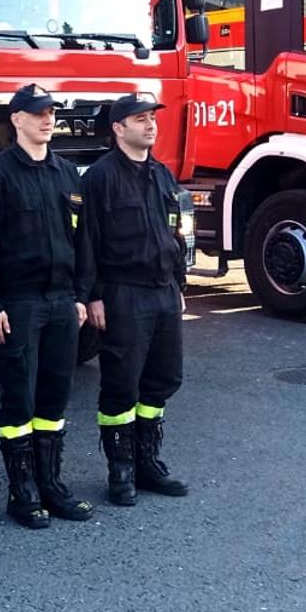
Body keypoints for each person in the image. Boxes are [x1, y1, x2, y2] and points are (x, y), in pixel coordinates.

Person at [0, 83, 95, 529]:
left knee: (55, 398)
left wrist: (81, 297)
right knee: (19, 400)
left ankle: (51, 486)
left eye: (51, 112)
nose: (48, 119)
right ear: (16, 120)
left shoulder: (66, 174)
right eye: (38, 113)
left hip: (62, 303)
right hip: (18, 304)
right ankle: (22, 494)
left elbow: (83, 241)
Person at [80, 95, 191, 506]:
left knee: (163, 380)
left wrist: (180, 285)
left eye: (151, 119)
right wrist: (93, 296)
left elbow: (175, 232)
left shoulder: (161, 175)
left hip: (163, 291)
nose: (150, 126)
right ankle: (120, 470)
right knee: (121, 385)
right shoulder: (100, 178)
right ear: (118, 128)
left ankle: (148, 462)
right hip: (123, 293)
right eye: (140, 119)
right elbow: (87, 240)